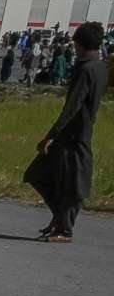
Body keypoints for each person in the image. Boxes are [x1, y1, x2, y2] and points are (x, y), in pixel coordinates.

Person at [26, 20, 103, 243]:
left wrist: (51, 135)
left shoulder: (87, 68)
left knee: (70, 183)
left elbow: (73, 107)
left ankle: (64, 228)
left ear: (80, 44)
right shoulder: (100, 66)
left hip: (73, 135)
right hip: (79, 132)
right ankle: (59, 219)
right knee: (42, 174)